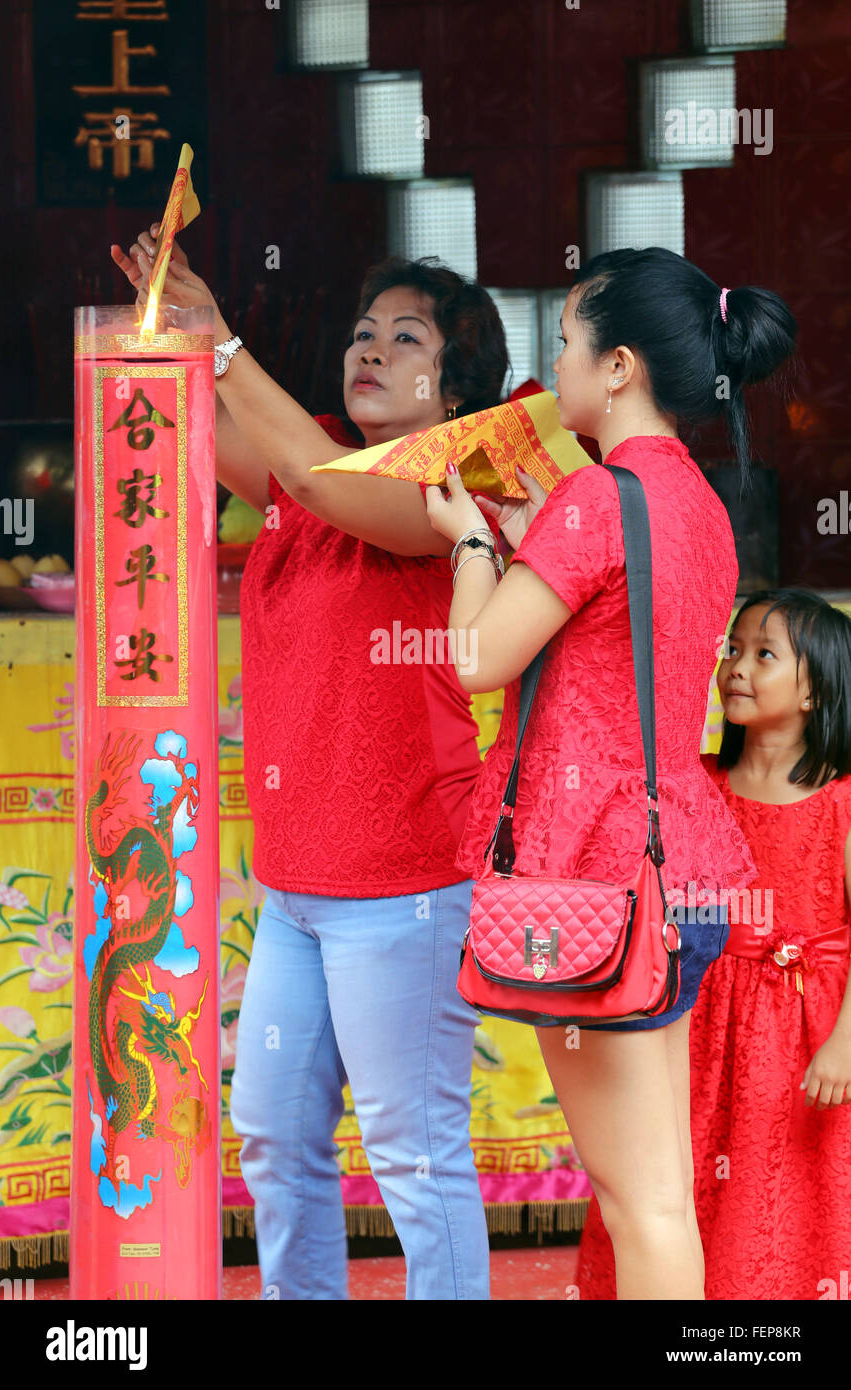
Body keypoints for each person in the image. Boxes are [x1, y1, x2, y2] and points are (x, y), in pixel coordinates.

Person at [111, 229, 512, 1300]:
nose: (368, 350)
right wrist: (176, 327)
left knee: (415, 1159)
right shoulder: (315, 462)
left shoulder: (452, 484)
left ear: (457, 381)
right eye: (360, 333)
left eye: (404, 338)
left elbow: (310, 475)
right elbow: (232, 444)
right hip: (295, 886)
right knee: (274, 1139)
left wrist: (226, 336)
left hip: (405, 886)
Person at [418, 246, 797, 1300]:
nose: (558, 363)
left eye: (569, 342)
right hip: (678, 862)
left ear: (620, 365)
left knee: (643, 1201)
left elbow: (478, 658)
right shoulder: (702, 507)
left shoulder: (598, 499)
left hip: (597, 876)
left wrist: (470, 546)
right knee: (661, 1188)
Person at [578, 589, 851, 1300]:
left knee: (780, 1191)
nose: (735, 666)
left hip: (804, 1035)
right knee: (680, 1176)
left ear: (818, 689)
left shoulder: (842, 801)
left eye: (764, 654)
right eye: (732, 649)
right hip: (695, 1024)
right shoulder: (694, 785)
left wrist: (844, 1043)